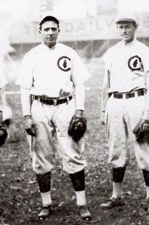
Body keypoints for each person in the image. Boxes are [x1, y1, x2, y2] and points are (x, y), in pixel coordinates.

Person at [16, 15, 91, 220]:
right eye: (46, 29)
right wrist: (27, 116)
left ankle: (82, 203)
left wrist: (79, 110)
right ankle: (46, 203)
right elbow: (24, 89)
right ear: (39, 31)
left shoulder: (69, 52)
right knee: (41, 156)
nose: (50, 32)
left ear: (59, 31)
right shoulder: (31, 55)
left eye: (53, 29)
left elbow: (79, 84)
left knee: (73, 153)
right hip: (40, 106)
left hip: (65, 105)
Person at [100, 12, 149, 214]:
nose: (124, 30)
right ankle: (116, 196)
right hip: (114, 102)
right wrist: (103, 110)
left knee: (145, 150)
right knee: (116, 149)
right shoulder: (111, 52)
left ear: (135, 27)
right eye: (121, 26)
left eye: (128, 26)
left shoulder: (145, 51)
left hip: (137, 100)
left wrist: (147, 112)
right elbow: (105, 84)